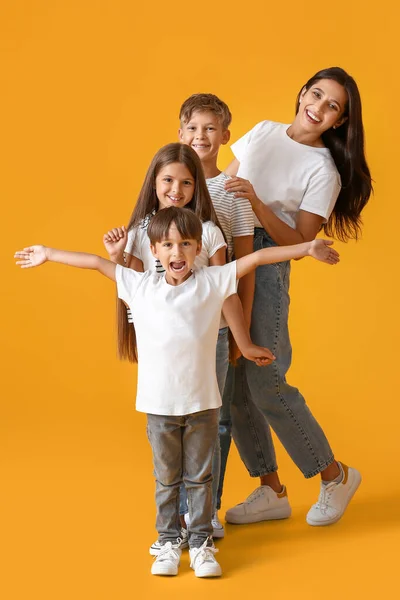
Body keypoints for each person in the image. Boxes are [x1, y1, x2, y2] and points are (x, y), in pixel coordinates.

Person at [14, 206, 340, 577]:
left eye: (185, 244)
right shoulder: (139, 286)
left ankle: (201, 543)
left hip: (203, 406)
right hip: (159, 408)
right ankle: (168, 542)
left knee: (201, 478)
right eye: (167, 245)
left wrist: (305, 248)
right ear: (154, 251)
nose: (176, 252)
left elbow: (260, 256)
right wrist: (48, 254)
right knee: (167, 479)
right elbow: (93, 263)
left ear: (198, 248)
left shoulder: (212, 281)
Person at [222, 66, 373, 527]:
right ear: (303, 93)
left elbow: (301, 241)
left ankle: (336, 475)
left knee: (266, 379)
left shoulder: (324, 169)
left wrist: (255, 201)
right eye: (317, 94)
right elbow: (221, 187)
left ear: (339, 122)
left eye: (333, 107)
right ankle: (271, 491)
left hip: (268, 260)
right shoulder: (263, 132)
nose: (319, 108)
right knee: (233, 381)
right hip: (226, 249)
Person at [104, 140, 253, 544]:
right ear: (153, 181)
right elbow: (133, 284)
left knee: (212, 425)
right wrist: (118, 255)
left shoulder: (208, 232)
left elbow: (228, 291)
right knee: (173, 426)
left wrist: (241, 340)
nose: (176, 189)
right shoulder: (140, 233)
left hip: (213, 337)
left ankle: (204, 514)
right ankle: (180, 521)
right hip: (167, 345)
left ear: (197, 185)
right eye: (168, 179)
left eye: (186, 182)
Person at [178, 93, 254, 537]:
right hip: (178, 325)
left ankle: (208, 511)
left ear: (226, 136)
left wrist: (241, 328)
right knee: (182, 416)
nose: (200, 137)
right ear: (180, 133)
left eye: (210, 129)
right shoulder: (172, 184)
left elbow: (242, 267)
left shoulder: (232, 194)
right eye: (192, 128)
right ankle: (185, 511)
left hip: (221, 325)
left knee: (219, 419)